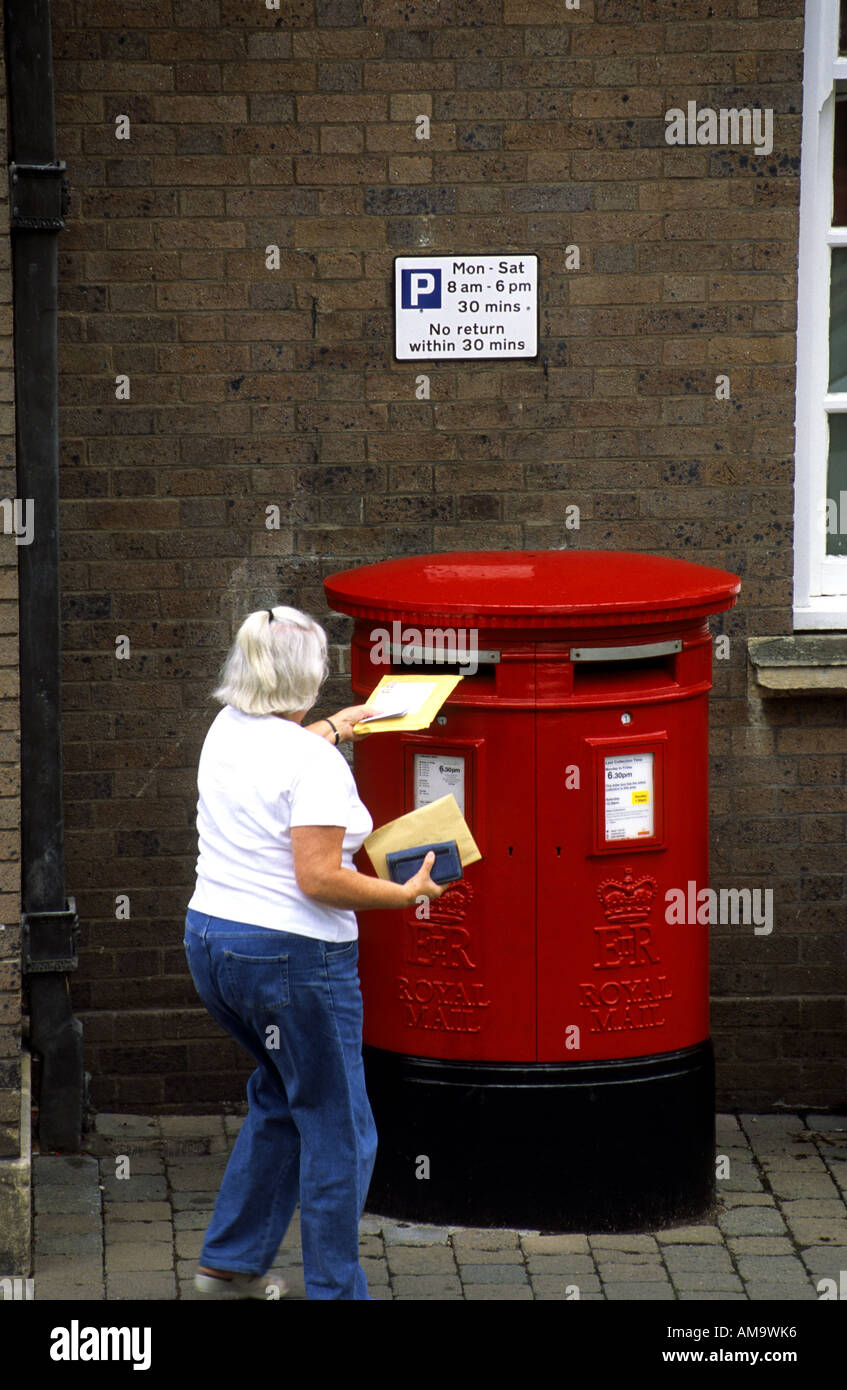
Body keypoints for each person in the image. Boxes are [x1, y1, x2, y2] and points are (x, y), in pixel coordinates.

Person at [183, 605, 443, 1301]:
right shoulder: (313, 764)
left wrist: (338, 724)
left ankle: (230, 1261)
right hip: (292, 961)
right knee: (339, 1125)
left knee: (279, 1093)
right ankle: (336, 1291)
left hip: (212, 943)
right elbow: (320, 879)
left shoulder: (226, 727)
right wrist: (406, 892)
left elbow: (282, 756)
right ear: (307, 676)